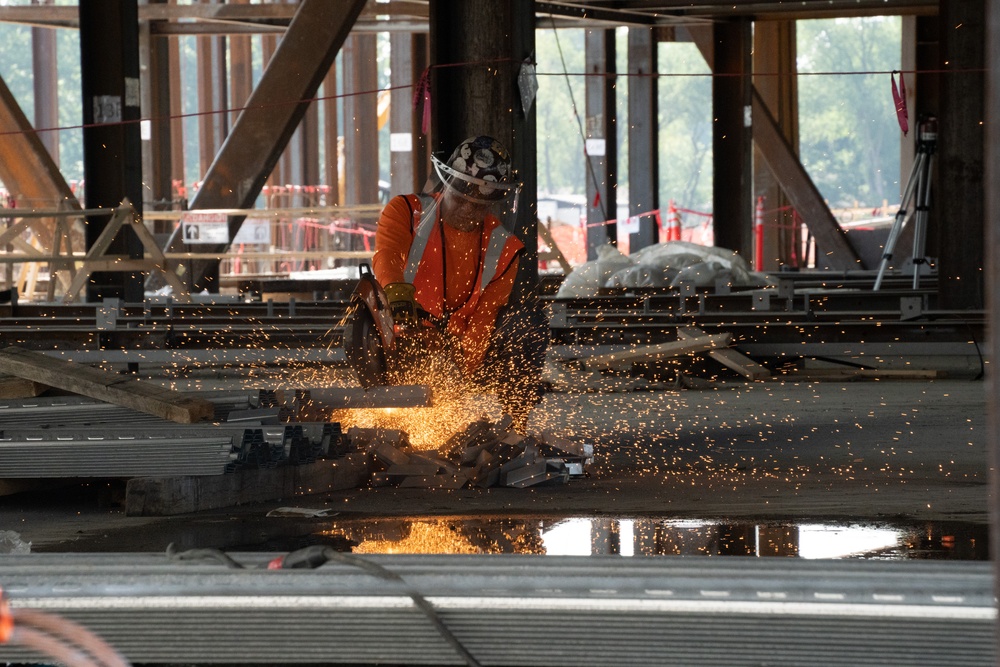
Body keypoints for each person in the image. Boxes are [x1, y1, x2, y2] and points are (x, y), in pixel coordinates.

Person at [372, 135, 548, 430]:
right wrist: (396, 291)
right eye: (462, 198)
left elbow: (485, 318)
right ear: (447, 184)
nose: (468, 210)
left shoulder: (505, 249)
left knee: (525, 324)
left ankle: (516, 428)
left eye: (479, 205)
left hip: (458, 349)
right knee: (364, 324)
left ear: (494, 203)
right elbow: (386, 256)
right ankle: (384, 415)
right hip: (405, 337)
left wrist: (459, 371)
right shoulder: (406, 211)